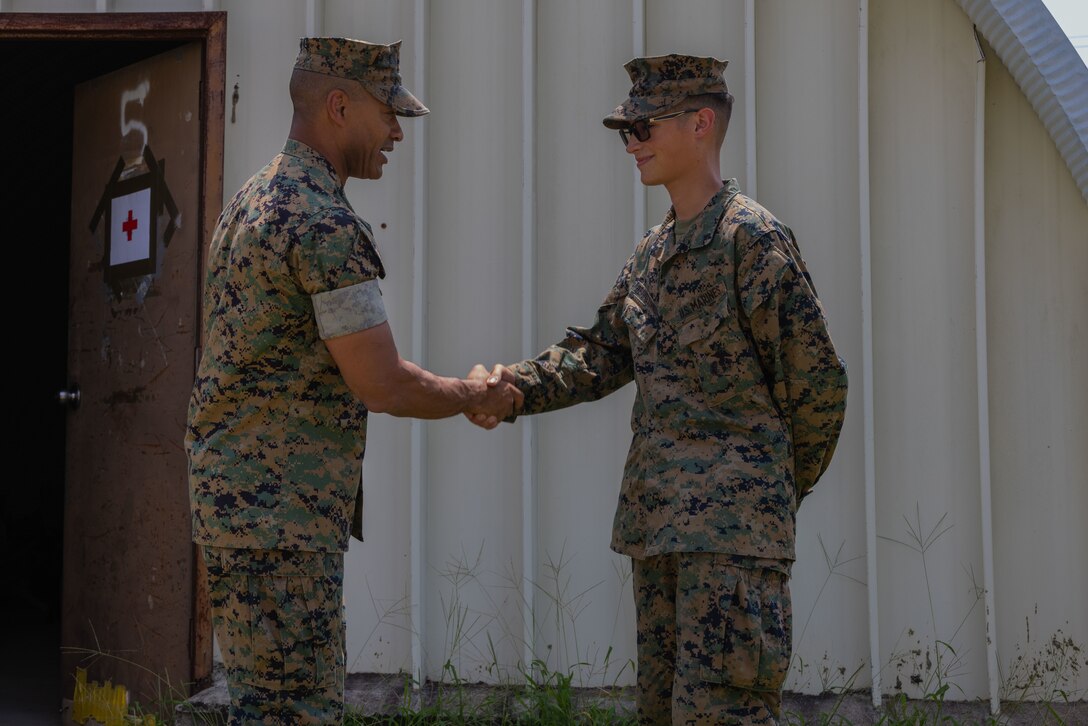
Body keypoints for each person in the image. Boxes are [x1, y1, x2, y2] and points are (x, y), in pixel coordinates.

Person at [470, 54, 848, 724]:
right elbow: (600, 354)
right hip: (660, 535)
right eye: (625, 130)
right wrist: (510, 389)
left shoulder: (751, 242)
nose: (632, 143)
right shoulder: (653, 253)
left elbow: (818, 385)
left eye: (643, 126)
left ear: (700, 123)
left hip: (733, 547)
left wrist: (766, 494)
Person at [184, 37, 521, 724]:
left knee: (261, 705)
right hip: (282, 520)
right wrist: (474, 396)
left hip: (241, 507)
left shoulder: (254, 198)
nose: (397, 131)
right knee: (295, 710)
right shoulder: (320, 221)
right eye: (388, 113)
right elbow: (382, 383)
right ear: (339, 106)